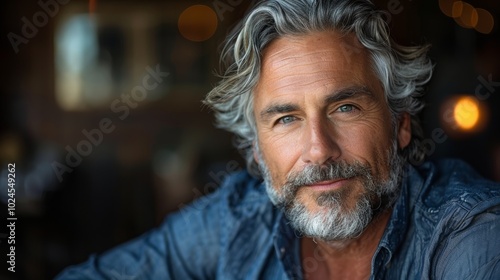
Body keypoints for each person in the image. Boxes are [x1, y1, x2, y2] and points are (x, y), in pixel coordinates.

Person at [56, 0, 500, 279]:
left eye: (345, 108)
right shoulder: (237, 219)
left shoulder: (470, 236)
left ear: (400, 124)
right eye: (286, 118)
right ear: (255, 150)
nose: (319, 149)